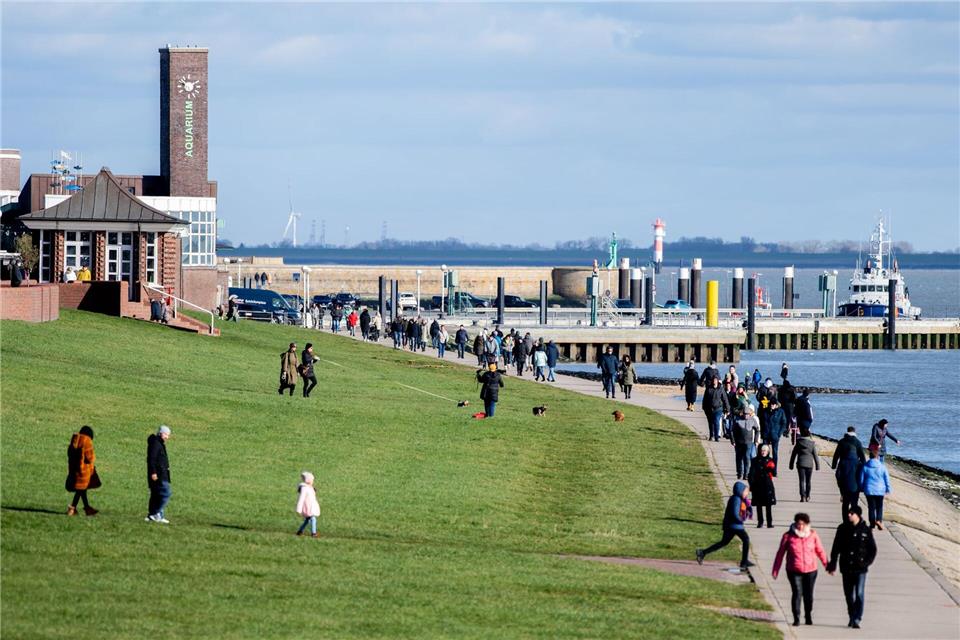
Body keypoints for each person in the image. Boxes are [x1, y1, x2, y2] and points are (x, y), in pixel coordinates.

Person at [772, 512, 828, 627]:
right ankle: (796, 617)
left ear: (807, 524)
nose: (800, 527)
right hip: (793, 569)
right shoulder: (788, 536)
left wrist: (827, 565)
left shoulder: (813, 535)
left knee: (808, 594)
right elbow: (780, 554)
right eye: (798, 524)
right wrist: (775, 569)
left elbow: (820, 551)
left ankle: (808, 615)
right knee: (797, 593)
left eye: (803, 524)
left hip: (811, 570)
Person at [827, 505, 877, 629]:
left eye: (852, 513)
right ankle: (851, 615)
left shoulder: (865, 530)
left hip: (860, 568)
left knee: (859, 593)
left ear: (858, 515)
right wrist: (832, 564)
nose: (849, 515)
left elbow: (872, 549)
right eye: (849, 513)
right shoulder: (842, 529)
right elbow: (836, 548)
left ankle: (857, 618)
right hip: (846, 567)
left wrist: (866, 562)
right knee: (849, 595)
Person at [696, 481, 753, 570]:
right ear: (740, 491)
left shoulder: (738, 499)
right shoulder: (736, 499)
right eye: (746, 491)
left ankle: (702, 552)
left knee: (724, 542)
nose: (747, 493)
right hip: (734, 525)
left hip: (732, 525)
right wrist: (741, 519)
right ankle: (744, 562)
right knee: (746, 540)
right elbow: (734, 513)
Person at [832, 426, 866, 519]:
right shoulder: (858, 442)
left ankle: (845, 520)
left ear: (847, 431)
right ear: (855, 432)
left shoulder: (842, 441)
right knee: (854, 502)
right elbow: (862, 457)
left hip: (843, 469)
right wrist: (865, 467)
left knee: (845, 503)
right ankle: (854, 519)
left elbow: (836, 455)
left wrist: (834, 465)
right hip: (855, 477)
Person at [65, 425, 100, 516]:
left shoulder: (74, 441)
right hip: (84, 473)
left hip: (75, 471)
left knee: (82, 490)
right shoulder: (87, 441)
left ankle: (87, 508)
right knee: (81, 490)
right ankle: (72, 508)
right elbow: (90, 458)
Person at [146, 425, 173, 524]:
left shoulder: (159, 443)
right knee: (166, 493)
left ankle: (156, 516)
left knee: (156, 495)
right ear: (161, 433)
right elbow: (151, 459)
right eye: (166, 434)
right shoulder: (156, 444)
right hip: (159, 475)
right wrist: (153, 472)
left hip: (162, 474)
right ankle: (155, 513)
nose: (167, 437)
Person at [860, 449, 892, 529]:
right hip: (880, 490)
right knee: (879, 506)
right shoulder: (882, 467)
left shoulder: (865, 466)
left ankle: (872, 523)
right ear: (877, 457)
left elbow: (861, 479)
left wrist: (861, 488)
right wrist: (888, 489)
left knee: (871, 507)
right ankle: (878, 520)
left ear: (869, 457)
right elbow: (886, 479)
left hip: (869, 489)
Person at [749, 443, 777, 528]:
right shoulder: (755, 460)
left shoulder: (770, 460)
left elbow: (774, 473)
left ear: (768, 451)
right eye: (762, 450)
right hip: (757, 484)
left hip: (767, 485)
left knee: (768, 505)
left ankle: (769, 522)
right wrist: (751, 483)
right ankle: (760, 522)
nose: (763, 452)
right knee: (759, 505)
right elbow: (751, 473)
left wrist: (771, 469)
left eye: (765, 450)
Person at [789, 427, 819, 502]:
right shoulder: (812, 444)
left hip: (800, 464)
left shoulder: (799, 443)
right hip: (809, 465)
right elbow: (815, 455)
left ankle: (802, 496)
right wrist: (817, 466)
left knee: (801, 481)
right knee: (808, 481)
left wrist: (791, 464)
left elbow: (793, 454)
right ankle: (808, 496)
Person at [731, 405, 760, 480]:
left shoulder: (752, 420)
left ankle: (746, 474)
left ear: (750, 414)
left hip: (748, 442)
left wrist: (756, 440)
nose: (746, 415)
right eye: (745, 414)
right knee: (739, 458)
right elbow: (732, 431)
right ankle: (739, 473)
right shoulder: (737, 420)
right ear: (742, 413)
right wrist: (733, 441)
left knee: (747, 458)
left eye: (747, 414)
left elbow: (757, 430)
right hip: (739, 443)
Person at [763, 399, 787, 475]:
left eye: (773, 404)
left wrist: (779, 433)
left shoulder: (780, 412)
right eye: (770, 404)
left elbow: (784, 423)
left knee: (775, 453)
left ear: (776, 405)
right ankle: (765, 469)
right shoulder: (765, 411)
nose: (771, 406)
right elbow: (761, 421)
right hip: (766, 434)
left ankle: (774, 470)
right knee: (764, 452)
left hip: (775, 435)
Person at [702, 376, 730, 442]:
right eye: (713, 380)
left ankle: (716, 436)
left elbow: (725, 399)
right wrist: (704, 407)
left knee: (716, 421)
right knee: (710, 423)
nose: (714, 381)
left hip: (718, 408)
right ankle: (711, 435)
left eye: (715, 380)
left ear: (717, 381)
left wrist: (728, 408)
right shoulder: (708, 388)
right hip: (709, 408)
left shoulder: (721, 389)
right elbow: (705, 398)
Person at [295, 471, 321, 538]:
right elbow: (301, 498)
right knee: (313, 519)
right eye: (312, 480)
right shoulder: (305, 488)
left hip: (311, 507)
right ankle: (313, 533)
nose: (313, 481)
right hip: (308, 507)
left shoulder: (310, 488)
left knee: (307, 520)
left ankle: (300, 531)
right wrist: (299, 508)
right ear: (308, 480)